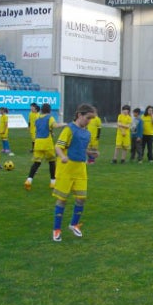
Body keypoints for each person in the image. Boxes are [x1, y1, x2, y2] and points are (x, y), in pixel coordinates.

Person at [52, 104, 97, 242]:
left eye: (91, 119)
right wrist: (63, 157)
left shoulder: (87, 133)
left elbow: (81, 149)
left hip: (80, 169)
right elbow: (58, 146)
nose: (89, 121)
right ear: (79, 115)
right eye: (88, 118)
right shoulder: (68, 130)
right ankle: (56, 229)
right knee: (62, 200)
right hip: (66, 170)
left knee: (81, 198)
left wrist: (91, 153)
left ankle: (74, 224)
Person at [25, 103, 64, 190]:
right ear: (49, 110)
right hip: (47, 143)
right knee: (52, 162)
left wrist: (50, 131)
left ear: (41, 110)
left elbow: (41, 128)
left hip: (38, 142)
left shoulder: (37, 118)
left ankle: (28, 181)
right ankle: (53, 183)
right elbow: (55, 125)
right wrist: (65, 124)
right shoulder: (50, 117)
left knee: (36, 163)